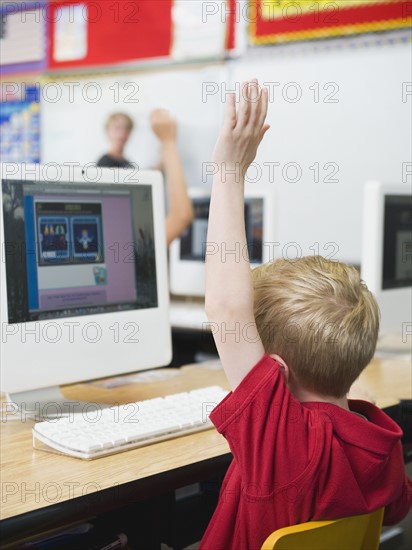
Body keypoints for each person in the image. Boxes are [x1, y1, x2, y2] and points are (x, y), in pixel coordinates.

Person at [201, 79, 412, 550]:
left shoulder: (285, 444)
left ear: (272, 372)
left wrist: (228, 170)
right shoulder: (382, 439)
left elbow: (226, 307)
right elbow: (399, 508)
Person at [97, 110, 193, 245]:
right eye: (117, 128)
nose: (122, 134)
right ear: (107, 132)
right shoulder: (104, 163)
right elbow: (182, 217)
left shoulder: (128, 163)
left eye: (126, 129)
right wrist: (168, 143)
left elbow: (139, 182)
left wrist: (164, 158)